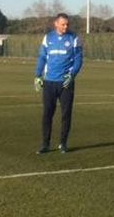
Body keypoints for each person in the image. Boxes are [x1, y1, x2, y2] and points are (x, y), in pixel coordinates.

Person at [34, 13, 83, 154]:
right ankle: (45, 144)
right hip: (49, 82)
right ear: (56, 24)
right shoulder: (48, 38)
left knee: (66, 114)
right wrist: (38, 75)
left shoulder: (74, 38)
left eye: (67, 24)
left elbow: (79, 59)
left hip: (66, 83)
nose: (65, 27)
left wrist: (72, 75)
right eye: (63, 24)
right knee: (47, 114)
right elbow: (42, 57)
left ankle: (63, 143)